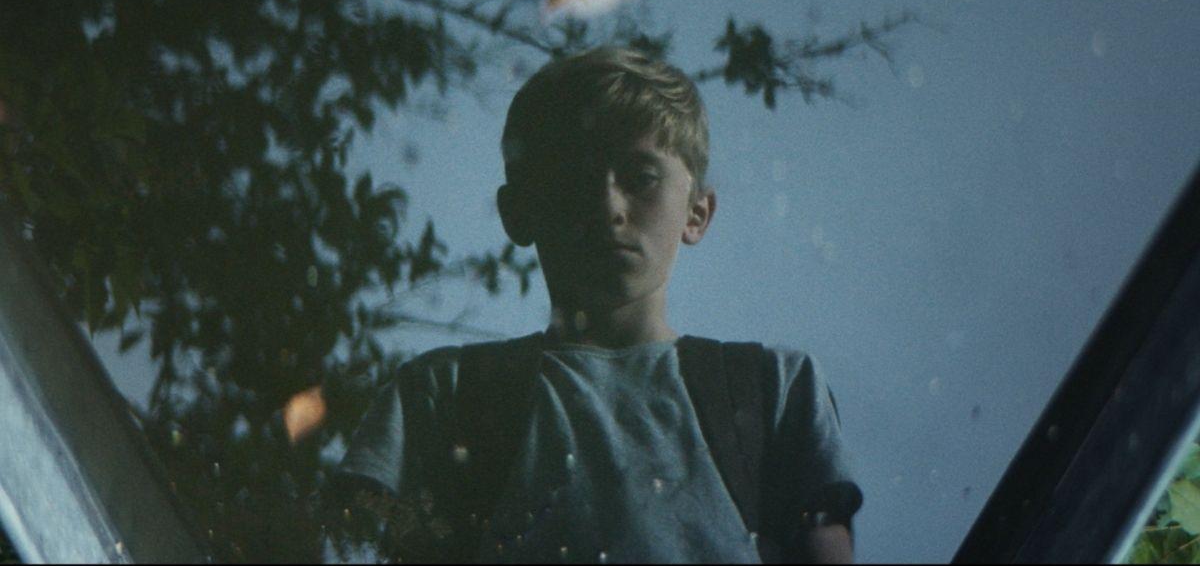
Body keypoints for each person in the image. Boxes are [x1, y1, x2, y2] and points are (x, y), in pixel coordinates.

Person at [331, 46, 862, 563]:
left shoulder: (772, 389)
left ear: (697, 213)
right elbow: (347, 546)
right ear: (518, 211)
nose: (608, 205)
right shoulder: (442, 395)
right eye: (572, 178)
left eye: (642, 178)